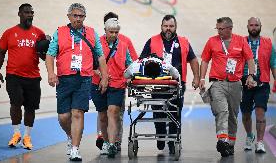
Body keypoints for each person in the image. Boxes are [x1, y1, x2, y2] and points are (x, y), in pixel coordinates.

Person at [45, 3, 108, 161]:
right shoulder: (60, 32)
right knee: (64, 117)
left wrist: (105, 77)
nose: (78, 19)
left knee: (77, 114)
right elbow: (50, 54)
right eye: (75, 15)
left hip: (84, 79)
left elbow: (100, 57)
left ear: (84, 17)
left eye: (81, 16)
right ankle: (70, 135)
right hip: (64, 79)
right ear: (69, 16)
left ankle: (75, 148)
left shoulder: (92, 33)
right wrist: (51, 73)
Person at [140, 14, 200, 154]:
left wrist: (197, 77)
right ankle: (161, 136)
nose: (168, 29)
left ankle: (173, 141)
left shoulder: (184, 42)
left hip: (177, 84)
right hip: (156, 84)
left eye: (171, 26)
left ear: (175, 27)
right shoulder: (152, 41)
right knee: (158, 112)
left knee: (175, 112)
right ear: (161, 26)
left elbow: (193, 60)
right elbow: (141, 60)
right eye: (166, 26)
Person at [199, 17, 256, 157]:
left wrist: (251, 75)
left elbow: (250, 59)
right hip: (217, 83)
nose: (218, 31)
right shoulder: (212, 41)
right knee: (222, 111)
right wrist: (201, 78)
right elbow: (205, 60)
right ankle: (222, 140)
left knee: (233, 115)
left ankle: (230, 144)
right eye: (217, 29)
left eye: (221, 29)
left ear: (230, 28)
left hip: (236, 84)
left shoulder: (241, 41)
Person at [0, 3, 46, 150]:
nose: (29, 15)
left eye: (31, 12)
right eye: (26, 12)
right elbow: (0, 53)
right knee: (16, 104)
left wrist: (45, 45)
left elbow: (43, 57)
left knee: (30, 108)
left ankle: (27, 137)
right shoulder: (9, 33)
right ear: (19, 14)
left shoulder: (39, 34)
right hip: (13, 76)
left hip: (33, 77)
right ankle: (16, 134)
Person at [95, 12, 138, 152]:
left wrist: (130, 77)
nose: (113, 33)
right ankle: (103, 137)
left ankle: (115, 142)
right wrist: (101, 75)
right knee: (102, 114)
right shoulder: (97, 41)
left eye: (116, 30)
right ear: (105, 28)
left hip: (118, 84)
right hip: (99, 83)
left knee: (115, 112)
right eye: (110, 29)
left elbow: (133, 62)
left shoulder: (125, 42)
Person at [240, 17, 276, 153]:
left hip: (262, 83)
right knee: (246, 114)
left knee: (260, 113)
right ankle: (250, 136)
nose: (254, 27)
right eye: (251, 25)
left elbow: (273, 64)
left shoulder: (267, 43)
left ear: (260, 26)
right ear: (247, 26)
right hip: (244, 84)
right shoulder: (241, 42)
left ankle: (260, 142)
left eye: (256, 25)